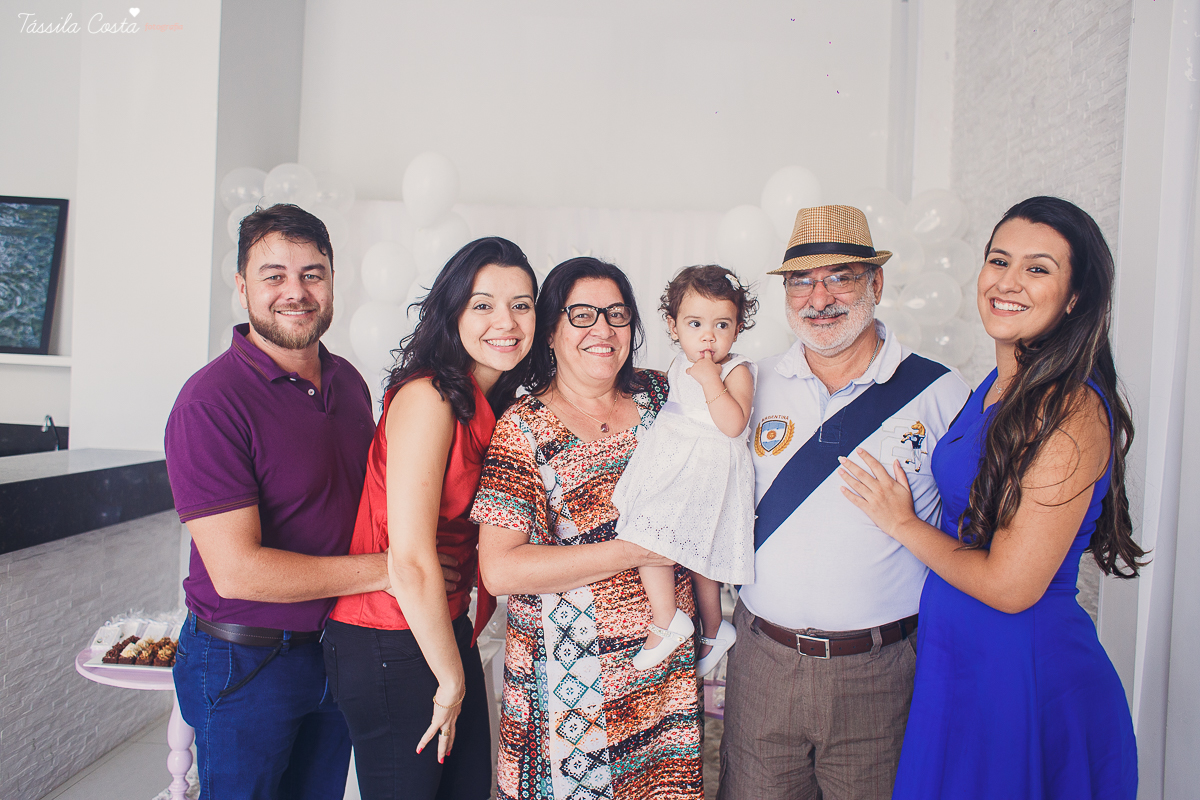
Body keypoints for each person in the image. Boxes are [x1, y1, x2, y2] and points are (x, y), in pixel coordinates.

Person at [838, 196, 1142, 799]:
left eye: (1038, 268)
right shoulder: (995, 384)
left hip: (1021, 674)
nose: (1007, 282)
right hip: (957, 663)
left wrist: (901, 523)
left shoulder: (1072, 408)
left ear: (1075, 297)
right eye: (998, 260)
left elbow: (1011, 586)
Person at [718, 205, 970, 800]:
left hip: (880, 671)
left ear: (876, 284)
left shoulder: (938, 390)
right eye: (801, 280)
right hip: (763, 661)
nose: (819, 297)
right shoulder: (752, 382)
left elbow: (974, 532)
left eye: (841, 277)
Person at [164, 203, 382, 799]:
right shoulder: (210, 403)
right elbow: (238, 571)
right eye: (274, 275)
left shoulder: (350, 384)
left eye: (312, 273)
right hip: (246, 663)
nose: (297, 291)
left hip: (337, 651)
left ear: (333, 282)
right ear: (241, 288)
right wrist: (391, 573)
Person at [471, 257, 704, 800]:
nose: (603, 329)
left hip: (661, 675)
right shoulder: (524, 427)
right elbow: (501, 569)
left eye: (616, 314)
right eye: (581, 315)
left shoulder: (661, 396)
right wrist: (636, 549)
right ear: (550, 330)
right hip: (569, 690)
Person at [323, 236, 538, 800]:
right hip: (388, 637)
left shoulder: (494, 403)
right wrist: (451, 679)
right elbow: (413, 559)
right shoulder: (429, 398)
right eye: (483, 304)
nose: (506, 321)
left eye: (522, 304)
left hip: (441, 628)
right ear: (453, 311)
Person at [611, 264, 758, 674]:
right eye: (695, 323)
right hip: (674, 461)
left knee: (649, 532)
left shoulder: (736, 369)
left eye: (721, 324)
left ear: (738, 328)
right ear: (674, 327)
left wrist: (712, 380)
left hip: (706, 468)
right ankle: (714, 629)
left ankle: (666, 619)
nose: (708, 336)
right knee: (695, 554)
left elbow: (733, 425)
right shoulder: (677, 364)